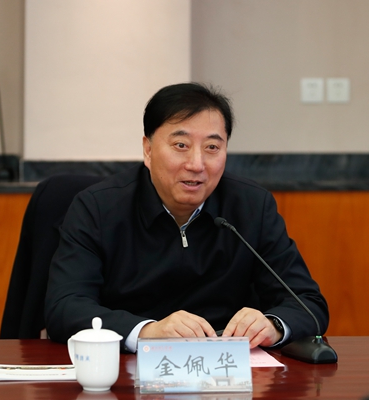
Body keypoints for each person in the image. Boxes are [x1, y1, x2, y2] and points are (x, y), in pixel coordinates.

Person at [45, 82, 329, 353]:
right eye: (181, 145)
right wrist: (148, 331)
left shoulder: (252, 206)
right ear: (148, 150)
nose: (196, 164)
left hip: (225, 372)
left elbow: (308, 302)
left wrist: (273, 325)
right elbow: (64, 308)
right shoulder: (97, 208)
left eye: (212, 148)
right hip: (125, 369)